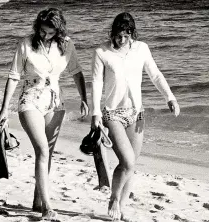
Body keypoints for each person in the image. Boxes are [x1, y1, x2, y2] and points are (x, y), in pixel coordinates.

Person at [0, 8, 89, 220]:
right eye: (42, 31)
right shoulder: (26, 44)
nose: (45, 36)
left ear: (58, 30)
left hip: (55, 101)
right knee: (42, 150)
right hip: (30, 99)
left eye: (50, 32)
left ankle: (37, 201)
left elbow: (76, 71)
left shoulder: (66, 44)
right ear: (37, 27)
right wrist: (3, 109)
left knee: (46, 153)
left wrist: (84, 98)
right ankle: (47, 206)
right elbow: (13, 77)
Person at [90, 12, 180, 220]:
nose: (121, 40)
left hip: (137, 113)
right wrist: (95, 113)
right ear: (112, 33)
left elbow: (155, 74)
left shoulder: (141, 49)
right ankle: (113, 198)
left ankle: (121, 208)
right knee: (128, 162)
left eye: (125, 36)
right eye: (117, 35)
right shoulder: (102, 52)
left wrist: (170, 97)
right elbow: (96, 83)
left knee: (132, 165)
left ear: (132, 34)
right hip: (113, 113)